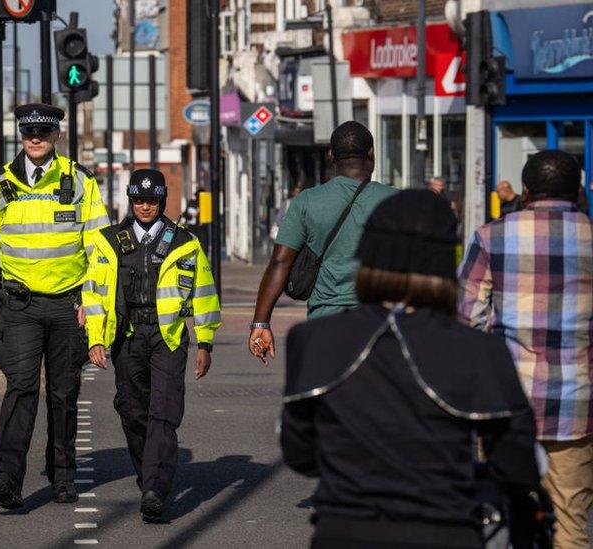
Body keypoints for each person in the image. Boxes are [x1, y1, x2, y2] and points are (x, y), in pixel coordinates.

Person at [284, 190, 541, 548]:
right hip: (445, 530)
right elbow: (517, 463)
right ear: (444, 263)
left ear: (368, 256)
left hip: (344, 530)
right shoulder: (480, 350)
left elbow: (300, 453)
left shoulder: (313, 339)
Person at [0, 103, 110, 508]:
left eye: (43, 133)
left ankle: (63, 476)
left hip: (69, 306)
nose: (35, 139)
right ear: (21, 134)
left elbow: (99, 249)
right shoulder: (0, 185)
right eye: (29, 132)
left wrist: (92, 300)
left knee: (64, 394)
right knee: (22, 387)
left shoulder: (80, 182)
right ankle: (8, 478)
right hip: (20, 305)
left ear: (56, 136)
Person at [460, 150, 593, 549]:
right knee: (572, 523)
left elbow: (467, 319)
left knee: (504, 515)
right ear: (579, 191)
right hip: (577, 405)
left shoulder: (491, 236)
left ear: (527, 191)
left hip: (506, 404)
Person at [84, 169, 221, 522]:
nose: (146, 206)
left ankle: (155, 489)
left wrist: (205, 340)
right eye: (139, 200)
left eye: (152, 200)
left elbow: (204, 293)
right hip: (127, 336)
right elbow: (95, 294)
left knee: (164, 410)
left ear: (162, 201)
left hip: (168, 337)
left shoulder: (185, 242)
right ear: (131, 200)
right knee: (131, 410)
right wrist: (96, 338)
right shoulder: (109, 241)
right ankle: (148, 473)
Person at [248, 121, 397, 365]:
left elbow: (280, 263)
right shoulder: (394, 201)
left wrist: (261, 323)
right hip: (379, 323)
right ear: (371, 154)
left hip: (325, 324)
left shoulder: (306, 202)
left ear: (330, 156)